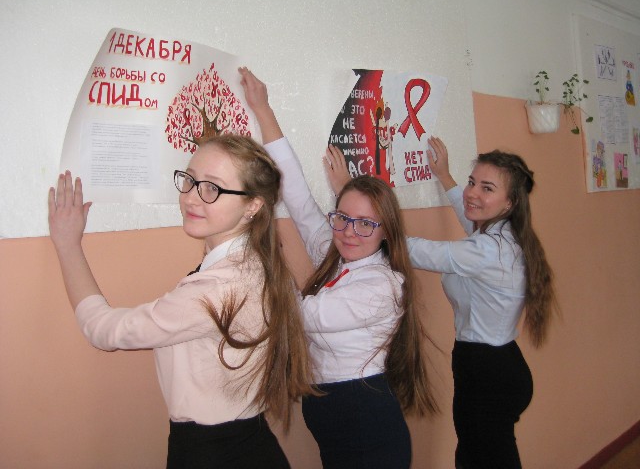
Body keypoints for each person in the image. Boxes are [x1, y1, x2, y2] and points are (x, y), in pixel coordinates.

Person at [48, 134, 315, 468]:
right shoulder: (259, 263)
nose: (191, 197)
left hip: (213, 454)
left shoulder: (215, 289)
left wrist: (67, 245)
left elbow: (103, 330)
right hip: (251, 443)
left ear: (253, 205)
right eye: (189, 179)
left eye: (212, 188)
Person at [239, 67, 437, 469]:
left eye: (365, 223)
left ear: (387, 231)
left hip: (368, 425)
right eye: (342, 217)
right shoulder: (337, 256)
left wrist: (264, 254)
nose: (348, 232)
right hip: (336, 419)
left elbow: (302, 315)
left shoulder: (384, 286)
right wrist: (264, 111)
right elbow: (297, 196)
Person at [325, 136, 557, 469]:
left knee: (481, 460)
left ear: (510, 203)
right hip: (500, 366)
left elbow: (420, 251)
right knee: (483, 457)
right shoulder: (500, 232)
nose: (472, 193)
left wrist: (357, 207)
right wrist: (445, 176)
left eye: (487, 188)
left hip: (487, 375)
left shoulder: (488, 250)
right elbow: (469, 217)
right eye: (472, 182)